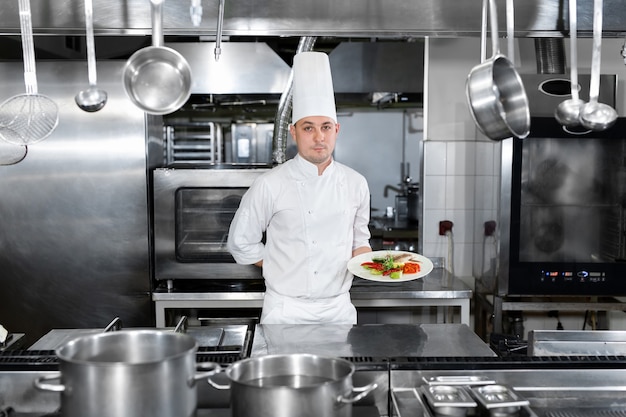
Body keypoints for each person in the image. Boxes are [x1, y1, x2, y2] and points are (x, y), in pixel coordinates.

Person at [227, 51, 372, 324]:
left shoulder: (356, 183)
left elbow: (359, 241)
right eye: (308, 128)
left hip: (339, 312)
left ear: (337, 130)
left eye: (326, 127)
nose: (319, 137)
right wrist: (279, 265)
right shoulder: (270, 184)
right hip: (285, 311)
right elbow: (240, 243)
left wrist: (378, 265)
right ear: (293, 132)